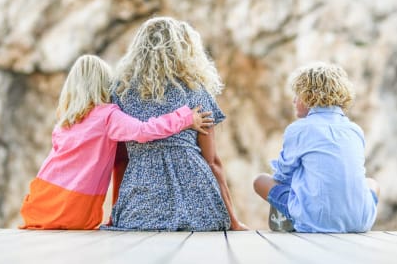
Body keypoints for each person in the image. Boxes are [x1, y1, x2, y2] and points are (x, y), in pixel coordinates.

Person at [19, 54, 213, 230]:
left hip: (39, 203)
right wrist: (185, 118)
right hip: (72, 210)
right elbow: (143, 131)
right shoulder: (107, 116)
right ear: (105, 84)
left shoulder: (64, 122)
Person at [103, 17, 248, 232]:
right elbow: (213, 162)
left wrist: (117, 212)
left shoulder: (120, 93)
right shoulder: (197, 92)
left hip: (140, 210)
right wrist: (234, 221)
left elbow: (121, 161)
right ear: (185, 50)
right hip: (200, 210)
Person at [253, 62, 379, 233]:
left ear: (308, 97)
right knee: (372, 183)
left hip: (315, 221)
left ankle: (292, 220)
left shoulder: (299, 129)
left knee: (261, 181)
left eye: (297, 95)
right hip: (360, 222)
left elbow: (283, 175)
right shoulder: (355, 130)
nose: (294, 100)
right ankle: (350, 217)